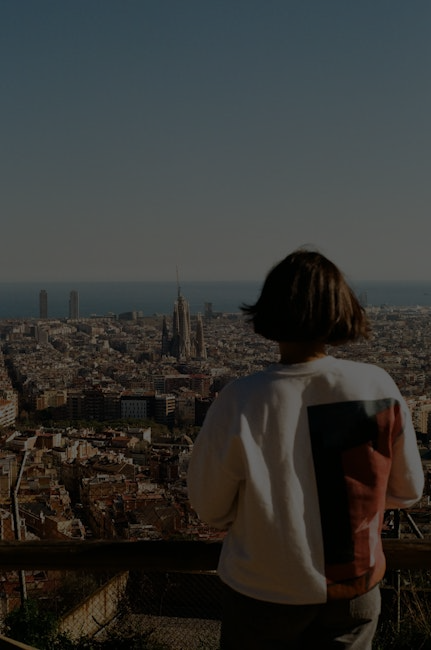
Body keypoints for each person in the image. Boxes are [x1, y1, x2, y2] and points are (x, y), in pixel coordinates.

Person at [187, 249, 424, 649]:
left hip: (263, 590)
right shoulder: (376, 386)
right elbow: (408, 491)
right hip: (353, 586)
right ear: (340, 309)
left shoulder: (240, 400)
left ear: (269, 311)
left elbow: (210, 508)